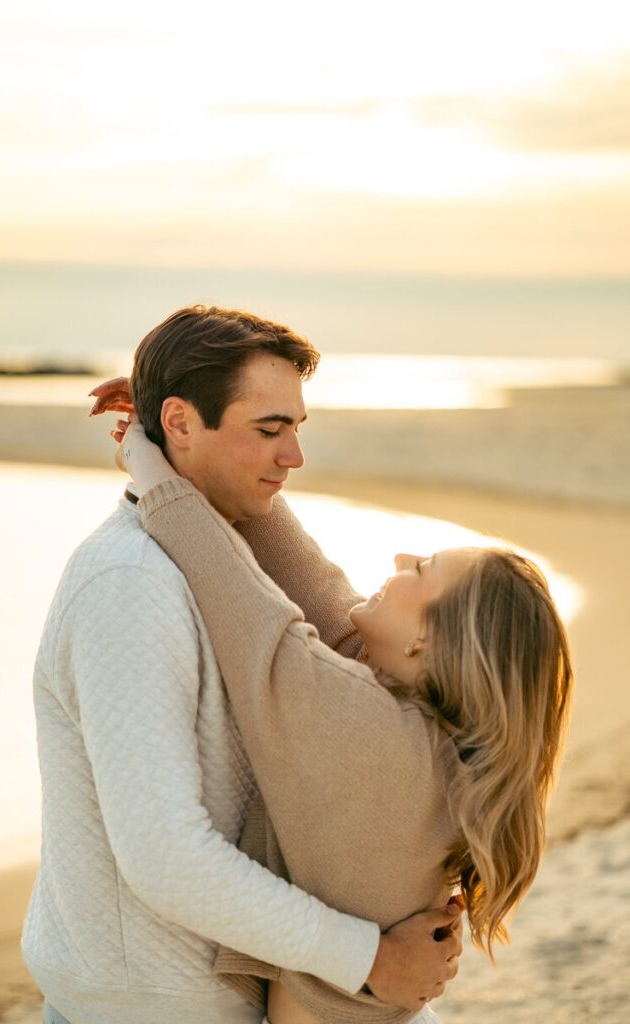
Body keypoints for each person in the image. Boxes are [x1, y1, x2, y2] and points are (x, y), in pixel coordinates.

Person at [23, 305, 462, 1024]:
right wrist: (368, 959)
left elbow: (340, 625)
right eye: (269, 430)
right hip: (153, 1009)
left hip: (245, 998)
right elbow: (167, 857)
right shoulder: (129, 586)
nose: (294, 457)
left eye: (295, 428)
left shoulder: (223, 553)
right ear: (182, 423)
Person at [102, 415, 573, 1024]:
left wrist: (146, 462)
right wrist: (217, 459)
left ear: (427, 644)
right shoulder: (439, 740)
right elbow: (313, 584)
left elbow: (236, 590)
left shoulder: (373, 737)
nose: (403, 555)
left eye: (422, 570)